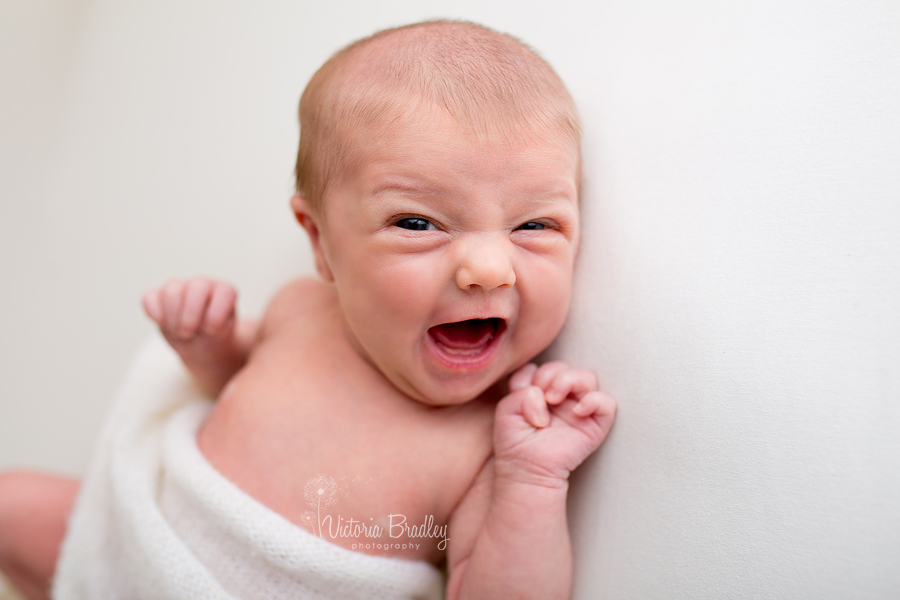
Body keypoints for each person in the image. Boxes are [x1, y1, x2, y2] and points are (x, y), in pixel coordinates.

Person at [0, 20, 616, 599]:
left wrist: (532, 479)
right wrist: (207, 344)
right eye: (417, 222)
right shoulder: (301, 311)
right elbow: (236, 388)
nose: (488, 268)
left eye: (534, 224)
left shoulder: (491, 442)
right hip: (139, 539)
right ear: (320, 241)